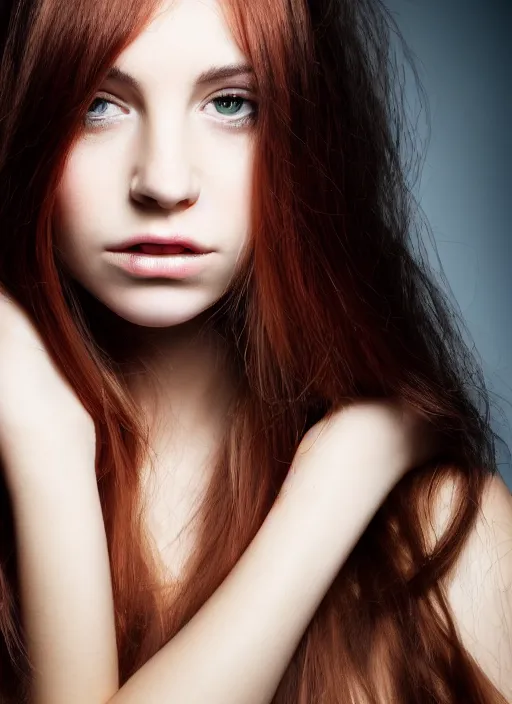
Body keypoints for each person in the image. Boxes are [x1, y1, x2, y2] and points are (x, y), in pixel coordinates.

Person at [0, 0, 510, 702]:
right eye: (98, 105)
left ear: (310, 135)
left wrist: (344, 472)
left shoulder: (442, 535)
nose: (165, 182)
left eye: (232, 104)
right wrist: (45, 442)